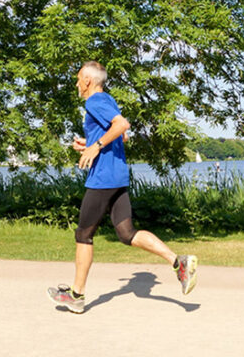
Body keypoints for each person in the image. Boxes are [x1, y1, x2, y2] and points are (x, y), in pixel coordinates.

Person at [47, 61, 198, 314]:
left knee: (83, 235)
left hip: (103, 178)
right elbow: (122, 136)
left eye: (77, 79)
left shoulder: (94, 102)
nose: (76, 84)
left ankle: (76, 295)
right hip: (117, 177)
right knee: (127, 234)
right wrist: (90, 142)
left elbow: (123, 126)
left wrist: (95, 147)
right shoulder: (108, 99)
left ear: (87, 81)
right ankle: (178, 262)